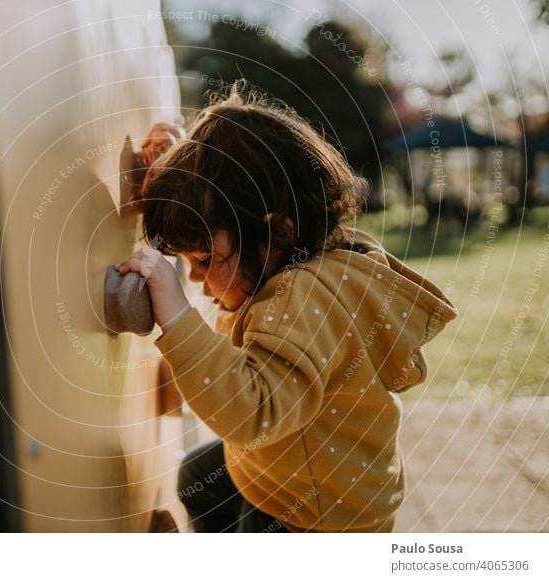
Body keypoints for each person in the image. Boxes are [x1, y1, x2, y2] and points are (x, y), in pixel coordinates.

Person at [116, 81, 457, 533]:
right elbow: (260, 345)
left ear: (275, 230)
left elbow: (253, 413)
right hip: (287, 469)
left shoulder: (304, 295)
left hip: (311, 513)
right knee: (200, 474)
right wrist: (173, 176)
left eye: (202, 259)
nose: (194, 279)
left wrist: (177, 315)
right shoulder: (308, 265)